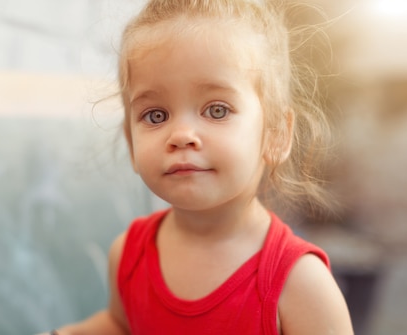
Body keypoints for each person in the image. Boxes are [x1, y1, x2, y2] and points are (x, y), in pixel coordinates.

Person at [41, 0, 353, 334]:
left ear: (276, 134)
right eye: (155, 115)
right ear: (132, 144)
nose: (181, 135)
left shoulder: (301, 284)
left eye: (216, 110)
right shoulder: (129, 255)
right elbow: (119, 325)